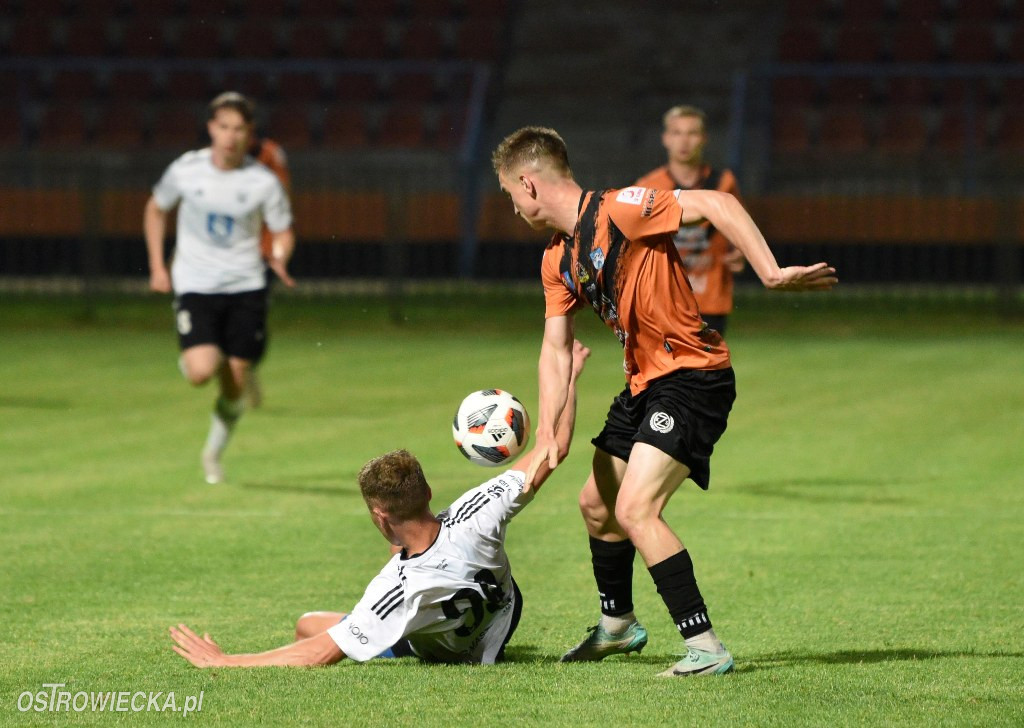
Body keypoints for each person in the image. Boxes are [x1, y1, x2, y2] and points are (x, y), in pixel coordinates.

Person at [491, 126, 836, 677]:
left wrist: (770, 273)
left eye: (510, 195)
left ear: (529, 184)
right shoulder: (557, 259)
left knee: (635, 508)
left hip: (693, 376)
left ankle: (705, 646)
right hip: (645, 384)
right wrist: (550, 434)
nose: (512, 209)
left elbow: (719, 203)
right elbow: (554, 351)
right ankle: (618, 625)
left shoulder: (621, 209)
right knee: (597, 505)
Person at [169, 341, 590, 668]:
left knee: (311, 627)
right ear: (427, 493)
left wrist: (227, 661)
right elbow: (555, 449)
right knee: (309, 625)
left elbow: (317, 655)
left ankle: (387, 634)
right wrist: (569, 378)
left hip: (450, 648)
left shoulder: (396, 589)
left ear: (378, 516)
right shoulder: (478, 510)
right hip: (501, 615)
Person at [144, 91, 296, 485]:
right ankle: (198, 357)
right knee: (201, 372)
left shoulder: (263, 181)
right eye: (223, 126)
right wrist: (158, 266)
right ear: (211, 128)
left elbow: (282, 231)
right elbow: (156, 208)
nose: (230, 136)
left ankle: (212, 453)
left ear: (250, 134)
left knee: (235, 380)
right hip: (196, 283)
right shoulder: (187, 169)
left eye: (239, 128)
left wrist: (279, 254)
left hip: (246, 284)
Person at [635, 105, 745, 336]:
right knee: (667, 370)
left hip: (711, 296)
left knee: (708, 370)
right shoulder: (647, 186)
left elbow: (740, 227)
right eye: (677, 133)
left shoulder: (724, 182)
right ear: (665, 139)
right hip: (663, 298)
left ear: (704, 138)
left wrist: (739, 251)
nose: (684, 141)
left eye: (692, 133)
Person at [245, 131, 292, 408]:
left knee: (255, 317)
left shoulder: (270, 154)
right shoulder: (211, 160)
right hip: (223, 255)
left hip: (260, 251)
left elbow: (284, 197)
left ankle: (246, 365)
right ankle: (235, 370)